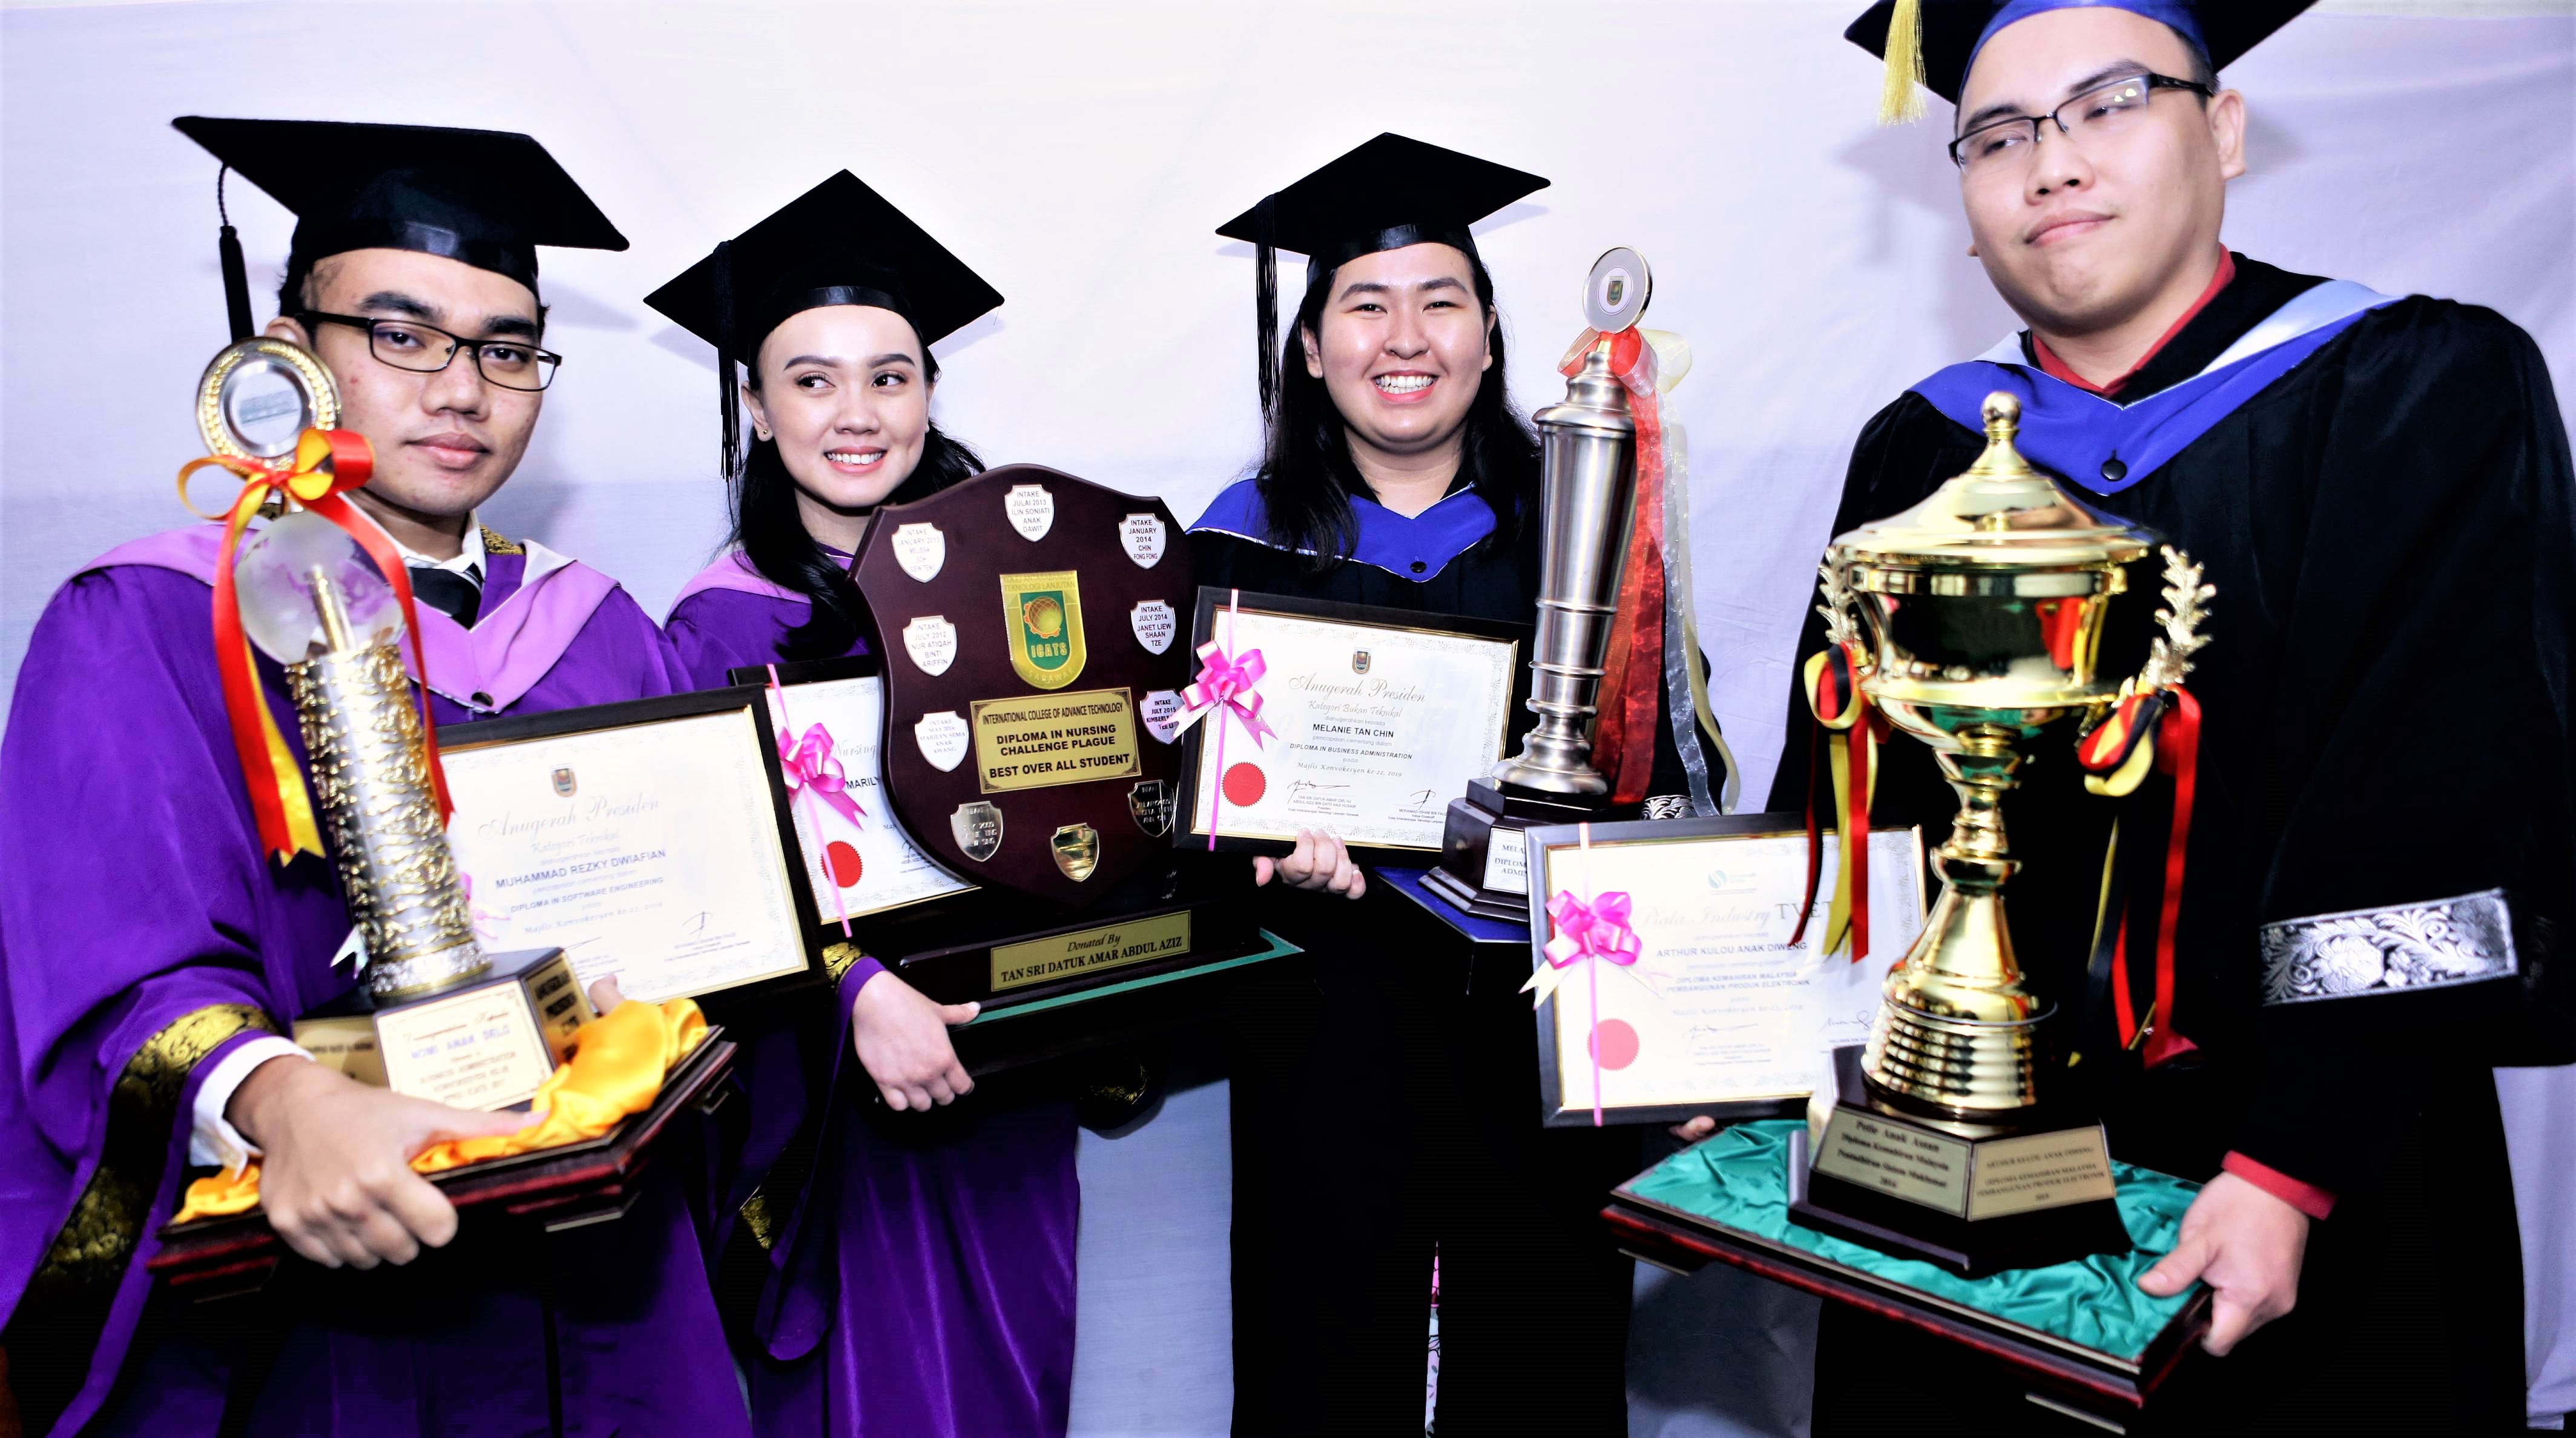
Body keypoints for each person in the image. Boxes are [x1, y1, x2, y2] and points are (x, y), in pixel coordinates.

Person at [1762, 3, 2575, 1429]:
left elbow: (2436, 799)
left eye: (2110, 104)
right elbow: (1840, 792)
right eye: (1997, 136)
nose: (2052, 164)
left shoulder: (2412, 390)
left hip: (2289, 1177)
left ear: (2226, 132)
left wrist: (2289, 1164)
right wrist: (1750, 1049)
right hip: (1941, 1154)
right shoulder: (1920, 448)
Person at [0, 119, 736, 1436]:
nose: (462, 390)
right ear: (292, 351)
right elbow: (113, 962)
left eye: (507, 349)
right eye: (402, 335)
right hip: (321, 1311)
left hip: (606, 1282)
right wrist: (284, 1100)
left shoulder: (601, 625)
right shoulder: (149, 620)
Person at [1196, 133, 1738, 1434]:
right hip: (1324, 1024)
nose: (1405, 337)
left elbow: (1665, 774)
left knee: (1540, 1364)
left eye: (1441, 301)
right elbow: (1194, 812)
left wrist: (1691, 1027)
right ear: (1310, 348)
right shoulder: (1235, 543)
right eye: (1364, 305)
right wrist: (1258, 854)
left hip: (1539, 1038)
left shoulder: (1588, 527)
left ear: (1490, 339)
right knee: (1322, 1360)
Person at [647, 170, 1079, 1438]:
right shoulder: (716, 629)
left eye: (889, 376)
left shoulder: (1024, 588)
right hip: (839, 1101)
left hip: (1008, 1062)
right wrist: (850, 991)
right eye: (812, 379)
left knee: (1016, 1387)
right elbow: (705, 894)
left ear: (929, 392)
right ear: (755, 404)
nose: (857, 413)